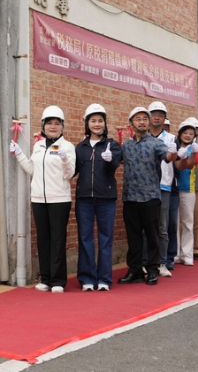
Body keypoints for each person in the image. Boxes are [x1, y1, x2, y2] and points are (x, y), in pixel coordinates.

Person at [10, 105, 75, 293]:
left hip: (59, 199)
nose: (53, 127)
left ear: (62, 126)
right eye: (49, 123)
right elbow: (32, 169)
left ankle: (58, 281)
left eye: (57, 124)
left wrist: (64, 159)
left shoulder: (67, 146)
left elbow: (69, 174)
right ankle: (45, 278)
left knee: (57, 240)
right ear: (43, 126)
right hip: (38, 199)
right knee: (43, 239)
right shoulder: (38, 145)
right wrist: (19, 154)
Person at [119, 107, 178, 286]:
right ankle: (135, 270)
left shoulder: (156, 143)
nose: (142, 121)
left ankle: (152, 270)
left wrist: (174, 152)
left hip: (151, 196)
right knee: (133, 237)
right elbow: (116, 160)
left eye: (145, 118)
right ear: (132, 123)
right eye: (138, 119)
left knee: (152, 235)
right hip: (130, 197)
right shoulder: (126, 146)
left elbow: (168, 157)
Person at [74, 104, 123, 291]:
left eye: (100, 121)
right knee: (85, 237)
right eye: (93, 121)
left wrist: (111, 160)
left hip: (106, 198)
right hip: (84, 198)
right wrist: (63, 161)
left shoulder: (113, 145)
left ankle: (104, 278)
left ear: (105, 123)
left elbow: (114, 168)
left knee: (105, 238)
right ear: (87, 123)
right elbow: (73, 171)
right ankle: (87, 278)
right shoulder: (81, 147)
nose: (97, 124)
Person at [150, 103, 176, 278]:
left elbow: (177, 160)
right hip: (147, 187)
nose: (157, 117)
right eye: (154, 114)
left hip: (165, 186)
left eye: (161, 114)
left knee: (162, 227)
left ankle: (162, 262)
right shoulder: (142, 136)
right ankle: (147, 262)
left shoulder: (172, 138)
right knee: (147, 227)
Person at [173, 117, 198, 266]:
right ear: (179, 134)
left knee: (187, 222)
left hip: (188, 189)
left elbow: (195, 168)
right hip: (173, 189)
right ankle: (175, 253)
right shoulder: (173, 146)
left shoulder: (195, 150)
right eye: (185, 132)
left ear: (194, 136)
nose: (187, 135)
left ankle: (187, 254)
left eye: (191, 133)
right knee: (174, 223)